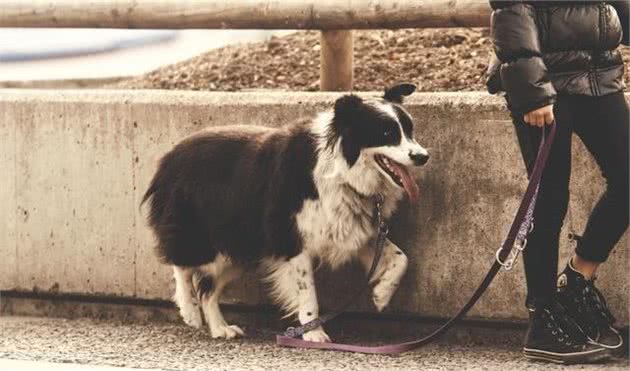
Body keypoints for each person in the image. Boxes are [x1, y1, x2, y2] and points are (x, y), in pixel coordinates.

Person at [486, 0, 629, 364]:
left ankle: (578, 282)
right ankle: (544, 319)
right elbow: (510, 10)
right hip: (545, 83)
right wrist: (532, 91)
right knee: (549, 200)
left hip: (599, 76)